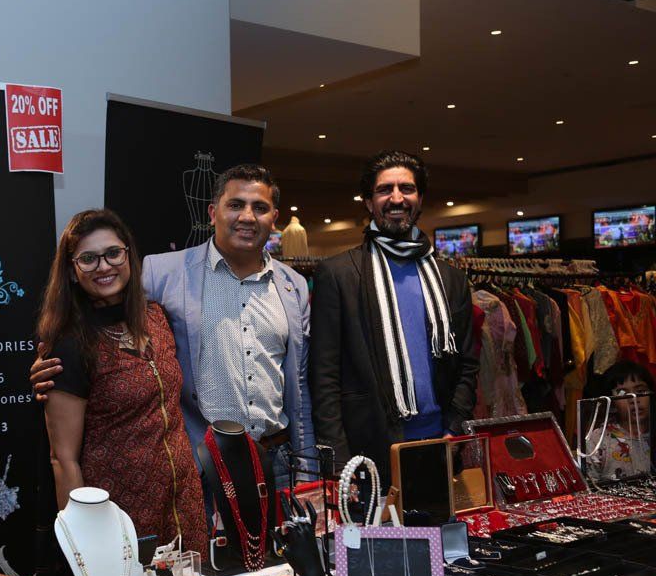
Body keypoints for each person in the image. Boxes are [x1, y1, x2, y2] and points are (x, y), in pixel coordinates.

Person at [32, 165, 315, 488]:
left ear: (273, 217)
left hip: (276, 460)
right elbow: (103, 319)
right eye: (235, 205)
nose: (247, 217)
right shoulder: (162, 273)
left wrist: (306, 466)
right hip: (200, 466)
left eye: (260, 207)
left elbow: (299, 383)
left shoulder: (293, 285)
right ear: (212, 213)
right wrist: (58, 363)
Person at [37, 209, 208, 553]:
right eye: (88, 259)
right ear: (72, 271)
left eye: (113, 253)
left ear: (128, 255)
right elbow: (63, 458)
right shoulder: (70, 345)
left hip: (183, 503)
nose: (104, 266)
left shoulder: (156, 318)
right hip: (118, 515)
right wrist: (84, 542)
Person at [309, 150, 479, 483]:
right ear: (369, 202)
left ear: (420, 199)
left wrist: (454, 428)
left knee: (440, 534)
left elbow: (468, 365)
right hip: (368, 449)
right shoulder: (339, 274)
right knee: (378, 535)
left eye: (407, 189)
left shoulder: (451, 279)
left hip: (438, 443)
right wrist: (339, 461)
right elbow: (324, 377)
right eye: (385, 189)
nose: (397, 198)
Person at [583, 360, 653, 481]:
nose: (634, 399)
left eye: (640, 391)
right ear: (612, 402)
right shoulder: (598, 441)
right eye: (622, 393)